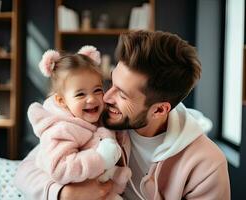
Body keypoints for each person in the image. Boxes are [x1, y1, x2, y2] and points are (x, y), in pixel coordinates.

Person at [15, 31, 231, 200]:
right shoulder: (94, 119)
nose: (106, 98)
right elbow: (25, 171)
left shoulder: (207, 164)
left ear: (159, 109)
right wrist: (64, 195)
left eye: (123, 95)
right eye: (111, 83)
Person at [20, 45, 131, 200]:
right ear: (61, 100)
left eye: (98, 90)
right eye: (80, 94)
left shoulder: (103, 122)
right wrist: (100, 159)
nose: (92, 99)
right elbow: (54, 168)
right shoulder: (61, 129)